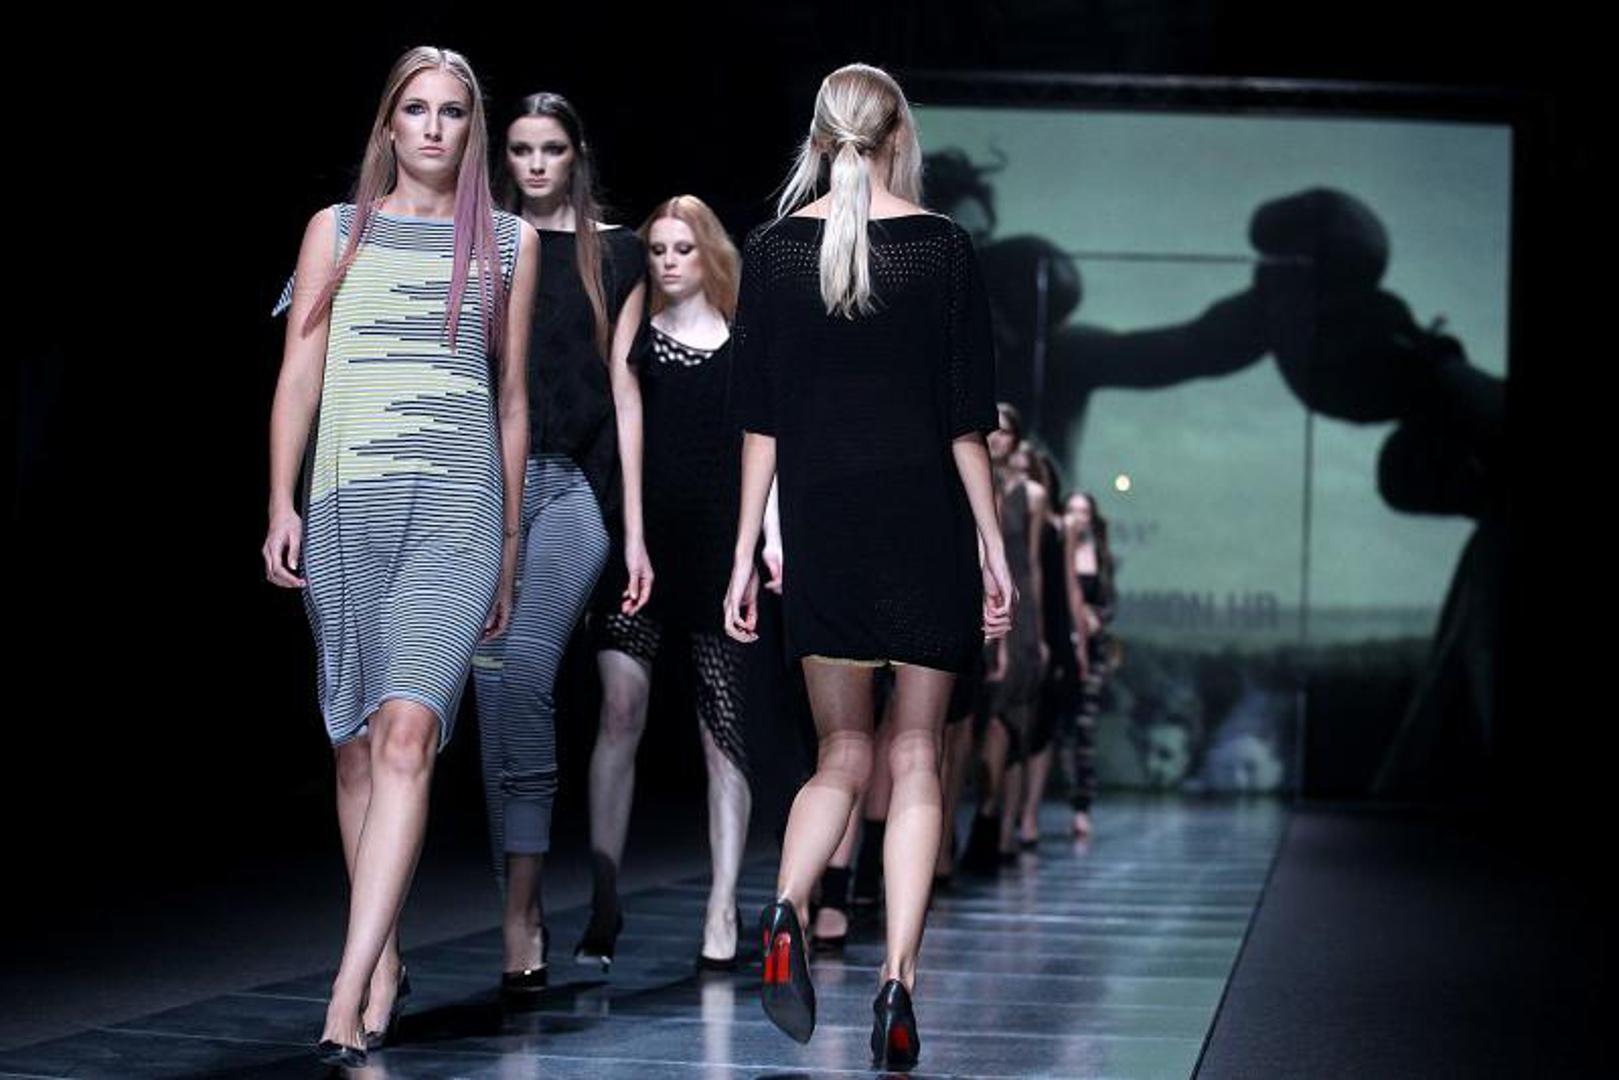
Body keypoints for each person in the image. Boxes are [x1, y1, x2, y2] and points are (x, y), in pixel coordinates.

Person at [722, 63, 1013, 1072]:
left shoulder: (771, 250)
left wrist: (743, 552)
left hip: (824, 523)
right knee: (916, 755)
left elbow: (758, 422)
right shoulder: (941, 248)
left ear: (818, 138)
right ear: (900, 136)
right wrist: (992, 546)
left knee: (839, 754)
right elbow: (966, 422)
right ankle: (895, 981)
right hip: (923, 520)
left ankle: (785, 905)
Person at [263, 46, 536, 1066]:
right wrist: (279, 500)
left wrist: (508, 546)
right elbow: (300, 373)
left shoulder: (506, 243)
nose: (432, 127)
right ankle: (380, 960)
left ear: (472, 129)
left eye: (452, 111)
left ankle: (345, 991)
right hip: (346, 504)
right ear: (388, 124)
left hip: (456, 507)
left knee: (409, 735)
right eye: (416, 109)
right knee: (356, 744)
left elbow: (512, 401)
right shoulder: (336, 232)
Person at [471, 91, 650, 992]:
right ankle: (522, 898)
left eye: (550, 149)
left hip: (575, 486)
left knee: (527, 673)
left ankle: (521, 911)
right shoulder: (486, 245)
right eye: (520, 149)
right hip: (483, 490)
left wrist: (637, 531)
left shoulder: (617, 253)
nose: (536, 164)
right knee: (487, 690)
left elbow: (624, 391)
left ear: (576, 154)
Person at [588, 195, 755, 969]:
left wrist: (764, 545)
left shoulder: (745, 342)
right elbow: (620, 433)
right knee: (619, 709)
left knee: (724, 734)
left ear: (708, 251)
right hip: (641, 543)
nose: (667, 262)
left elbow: (764, 446)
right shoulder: (636, 336)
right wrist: (630, 538)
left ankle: (723, 905)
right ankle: (603, 895)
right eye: (656, 250)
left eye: (681, 249)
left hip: (718, 548)